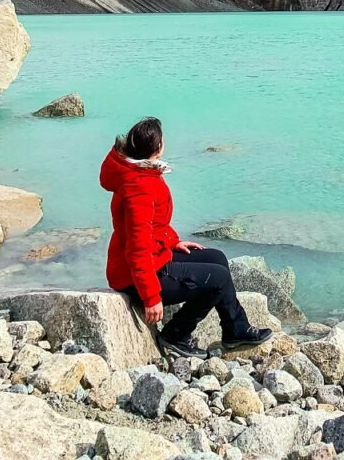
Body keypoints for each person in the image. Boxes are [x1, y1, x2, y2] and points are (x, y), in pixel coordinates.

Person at [99, 116, 272, 359]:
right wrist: (151, 297)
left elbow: (152, 227)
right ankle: (176, 334)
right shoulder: (140, 186)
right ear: (158, 149)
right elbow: (137, 248)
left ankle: (235, 329)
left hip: (150, 259)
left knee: (217, 258)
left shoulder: (140, 173)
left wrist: (172, 242)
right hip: (135, 276)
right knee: (218, 278)